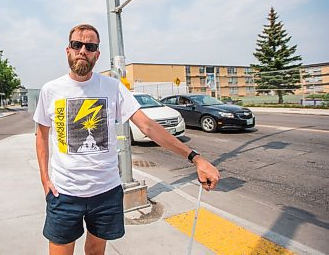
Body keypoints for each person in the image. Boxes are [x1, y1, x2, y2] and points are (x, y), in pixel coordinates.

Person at [34, 24, 220, 255]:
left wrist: (195, 158)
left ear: (97, 54)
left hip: (106, 192)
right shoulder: (51, 90)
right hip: (64, 192)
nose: (83, 50)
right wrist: (44, 178)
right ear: (68, 50)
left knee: (95, 251)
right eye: (77, 44)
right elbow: (41, 135)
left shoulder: (113, 88)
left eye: (90, 46)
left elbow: (148, 126)